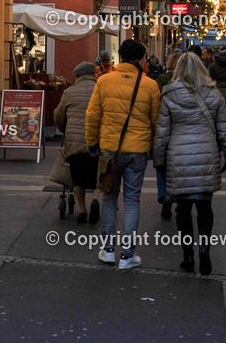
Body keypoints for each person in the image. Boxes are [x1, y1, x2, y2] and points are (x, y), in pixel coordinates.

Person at [154, 52, 226, 275]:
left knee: (182, 209)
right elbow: (224, 129)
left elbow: (162, 132)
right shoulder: (213, 93)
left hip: (179, 156)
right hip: (206, 155)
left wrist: (159, 161)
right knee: (204, 207)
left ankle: (187, 255)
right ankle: (204, 250)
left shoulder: (169, 95)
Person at [85, 39, 160, 270]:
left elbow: (92, 115)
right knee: (132, 200)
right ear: (138, 59)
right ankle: (128, 255)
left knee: (109, 197)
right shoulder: (150, 85)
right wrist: (154, 146)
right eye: (145, 58)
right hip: (137, 150)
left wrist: (91, 142)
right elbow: (156, 121)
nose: (146, 62)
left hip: (110, 149)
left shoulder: (104, 81)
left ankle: (108, 251)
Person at [53, 62, 100, 224]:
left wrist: (64, 128)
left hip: (74, 143)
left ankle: (83, 210)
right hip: (98, 141)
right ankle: (95, 199)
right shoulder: (101, 90)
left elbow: (59, 116)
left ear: (77, 76)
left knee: (78, 178)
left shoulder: (69, 92)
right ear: (94, 74)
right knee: (97, 175)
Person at [155, 51, 183, 218]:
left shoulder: (160, 80)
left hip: (164, 127)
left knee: (162, 163)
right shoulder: (189, 81)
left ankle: (163, 193)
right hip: (182, 129)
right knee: (180, 166)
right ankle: (179, 199)